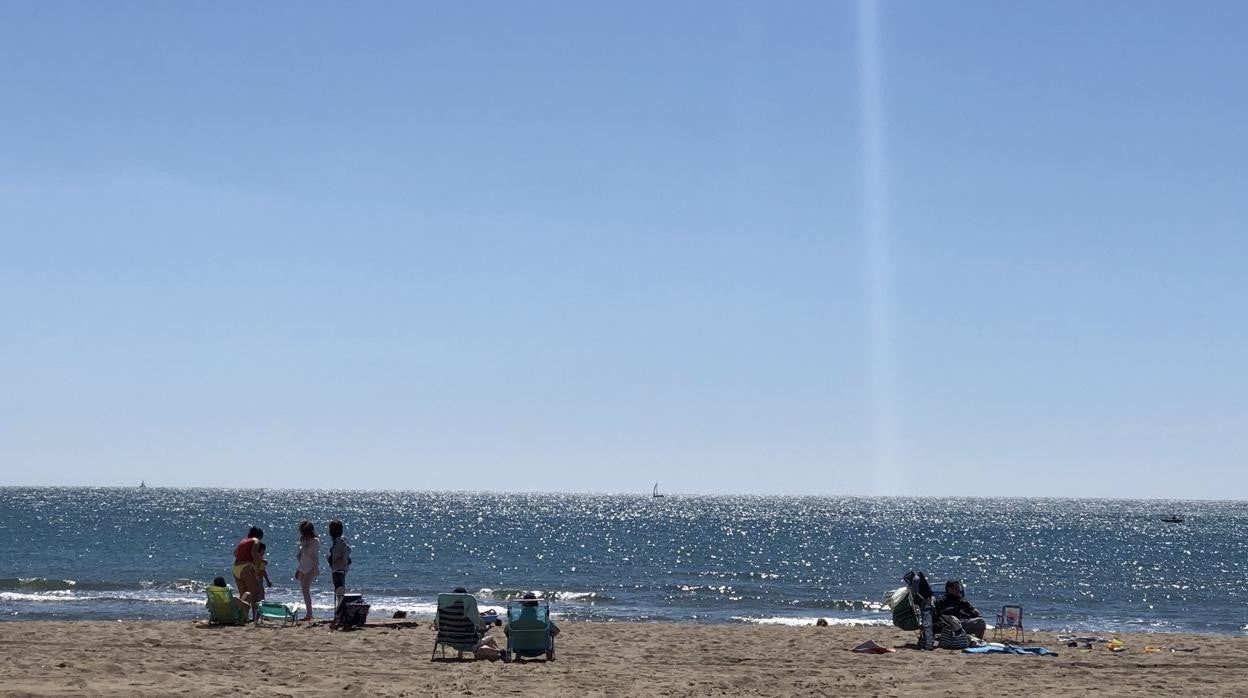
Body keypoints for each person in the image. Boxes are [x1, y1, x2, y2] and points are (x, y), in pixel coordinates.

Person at [232, 526, 264, 622]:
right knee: (255, 593)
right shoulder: (256, 540)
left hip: (236, 568)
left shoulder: (243, 541)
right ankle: (255, 617)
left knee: (244, 595)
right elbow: (254, 553)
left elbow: (235, 553)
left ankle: (243, 616)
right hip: (245, 567)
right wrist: (260, 562)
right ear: (259, 535)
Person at [295, 520, 320, 622]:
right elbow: (301, 555)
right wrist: (298, 569)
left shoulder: (315, 541)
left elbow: (308, 553)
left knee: (306, 589)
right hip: (303, 567)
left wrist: (303, 543)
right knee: (304, 591)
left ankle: (309, 614)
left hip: (311, 567)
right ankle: (308, 613)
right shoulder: (304, 540)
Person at [325, 519, 352, 607]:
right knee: (339, 591)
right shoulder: (339, 540)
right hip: (339, 569)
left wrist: (343, 559)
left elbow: (347, 550)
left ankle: (339, 611)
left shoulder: (339, 541)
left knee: (339, 591)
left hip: (338, 569)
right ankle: (339, 611)